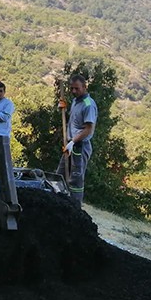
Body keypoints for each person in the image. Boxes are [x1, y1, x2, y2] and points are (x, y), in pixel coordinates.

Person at [57, 74, 98, 208]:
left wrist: (73, 142)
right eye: (72, 88)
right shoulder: (76, 101)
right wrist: (64, 107)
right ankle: (57, 203)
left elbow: (88, 129)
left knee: (75, 180)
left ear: (84, 87)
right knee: (60, 175)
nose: (74, 91)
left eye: (77, 89)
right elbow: (75, 121)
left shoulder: (88, 104)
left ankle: (74, 208)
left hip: (80, 146)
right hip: (70, 145)